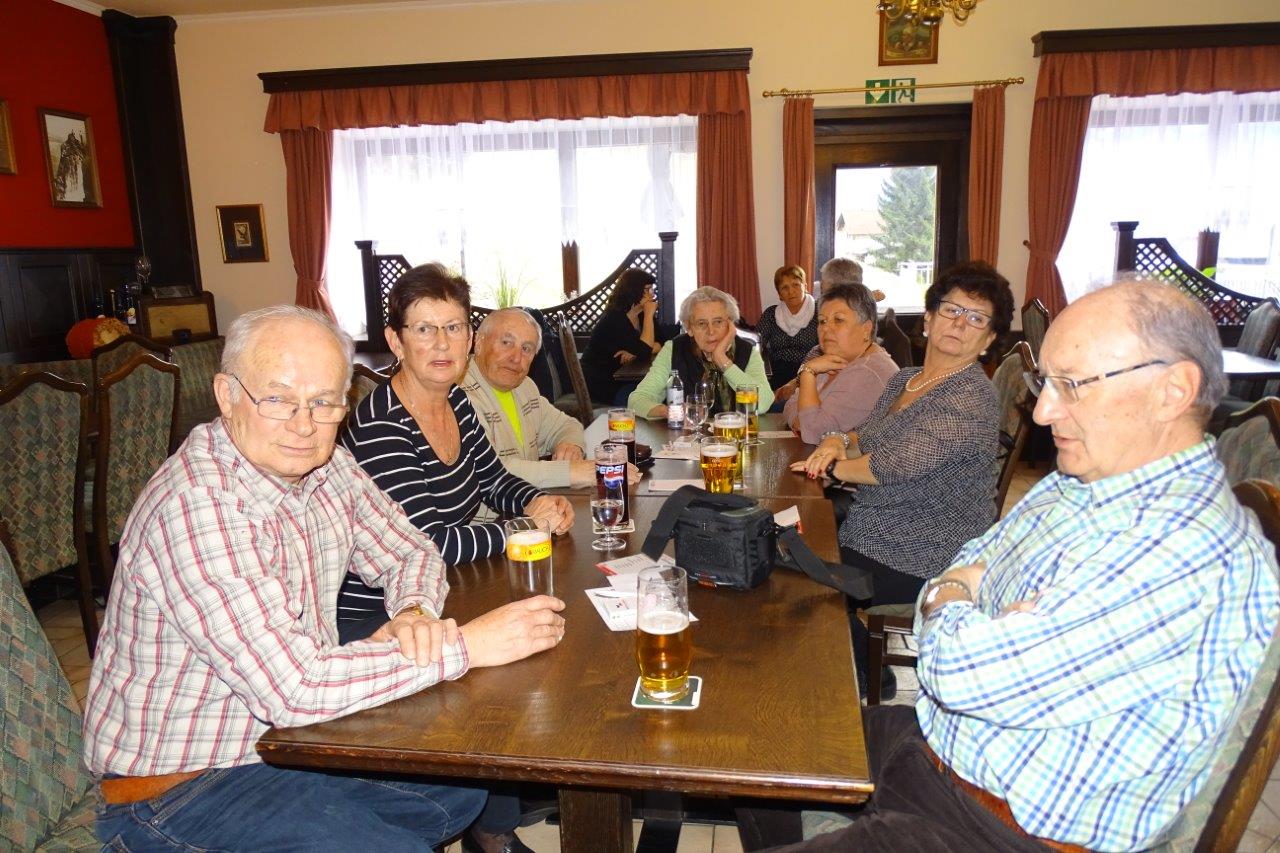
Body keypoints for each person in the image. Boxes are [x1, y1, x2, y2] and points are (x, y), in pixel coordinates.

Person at [762, 280, 1280, 852]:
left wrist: (953, 598)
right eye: (1044, 383)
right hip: (942, 751)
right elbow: (969, 560)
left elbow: (960, 670)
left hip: (1000, 828)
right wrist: (967, 595)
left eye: (1072, 384)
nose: (1043, 410)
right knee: (764, 749)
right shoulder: (1078, 482)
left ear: (1172, 390)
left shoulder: (1182, 552)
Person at [84, 305, 568, 852]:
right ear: (226, 395)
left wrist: (413, 612)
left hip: (284, 746)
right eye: (278, 399)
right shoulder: (198, 505)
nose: (303, 424)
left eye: (323, 402)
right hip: (176, 789)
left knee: (460, 788)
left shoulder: (327, 466)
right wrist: (466, 646)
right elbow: (294, 688)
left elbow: (410, 549)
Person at [337, 264, 575, 622]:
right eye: (424, 329)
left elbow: (494, 480)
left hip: (451, 584)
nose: (442, 343)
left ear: (469, 338)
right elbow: (429, 543)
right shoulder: (381, 424)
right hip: (386, 612)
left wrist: (538, 500)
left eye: (453, 327)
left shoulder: (456, 400)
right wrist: (525, 527)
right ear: (395, 341)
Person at [792, 261, 1013, 606]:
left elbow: (893, 465)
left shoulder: (972, 395)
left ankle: (854, 642)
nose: (959, 323)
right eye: (952, 310)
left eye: (976, 318)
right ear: (929, 319)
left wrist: (828, 467)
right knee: (786, 546)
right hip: (870, 528)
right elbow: (866, 436)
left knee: (797, 593)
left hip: (923, 553)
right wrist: (838, 440)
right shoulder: (905, 379)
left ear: (989, 339)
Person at [462, 306, 640, 501]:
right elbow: (490, 470)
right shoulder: (460, 395)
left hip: (530, 507)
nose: (516, 357)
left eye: (526, 348)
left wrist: (570, 445)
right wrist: (573, 472)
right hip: (487, 517)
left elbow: (567, 425)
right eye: (506, 342)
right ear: (478, 342)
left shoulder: (524, 387)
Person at [628, 285, 774, 419]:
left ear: (730, 324)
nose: (711, 331)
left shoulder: (747, 351)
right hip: (689, 436)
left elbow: (763, 403)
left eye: (718, 322)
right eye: (701, 323)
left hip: (736, 434)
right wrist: (668, 411)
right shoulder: (674, 349)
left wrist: (723, 361)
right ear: (689, 328)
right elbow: (637, 400)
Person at [779, 282, 899, 444]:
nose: (826, 329)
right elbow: (790, 405)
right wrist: (801, 420)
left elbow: (812, 433)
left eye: (838, 320)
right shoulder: (837, 359)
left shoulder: (867, 372)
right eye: (822, 321)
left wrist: (807, 373)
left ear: (866, 329)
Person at [581, 268, 662, 405]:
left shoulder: (641, 315)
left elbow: (662, 342)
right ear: (633, 290)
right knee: (653, 395)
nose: (652, 295)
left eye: (652, 289)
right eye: (648, 290)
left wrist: (636, 352)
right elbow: (645, 350)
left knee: (659, 390)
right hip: (603, 385)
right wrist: (649, 316)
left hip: (622, 381)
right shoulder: (614, 319)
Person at [755, 265, 819, 393]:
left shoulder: (819, 312)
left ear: (805, 287)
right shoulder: (771, 314)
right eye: (785, 287)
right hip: (776, 373)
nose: (791, 291)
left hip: (810, 374)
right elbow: (756, 343)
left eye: (796, 285)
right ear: (779, 294)